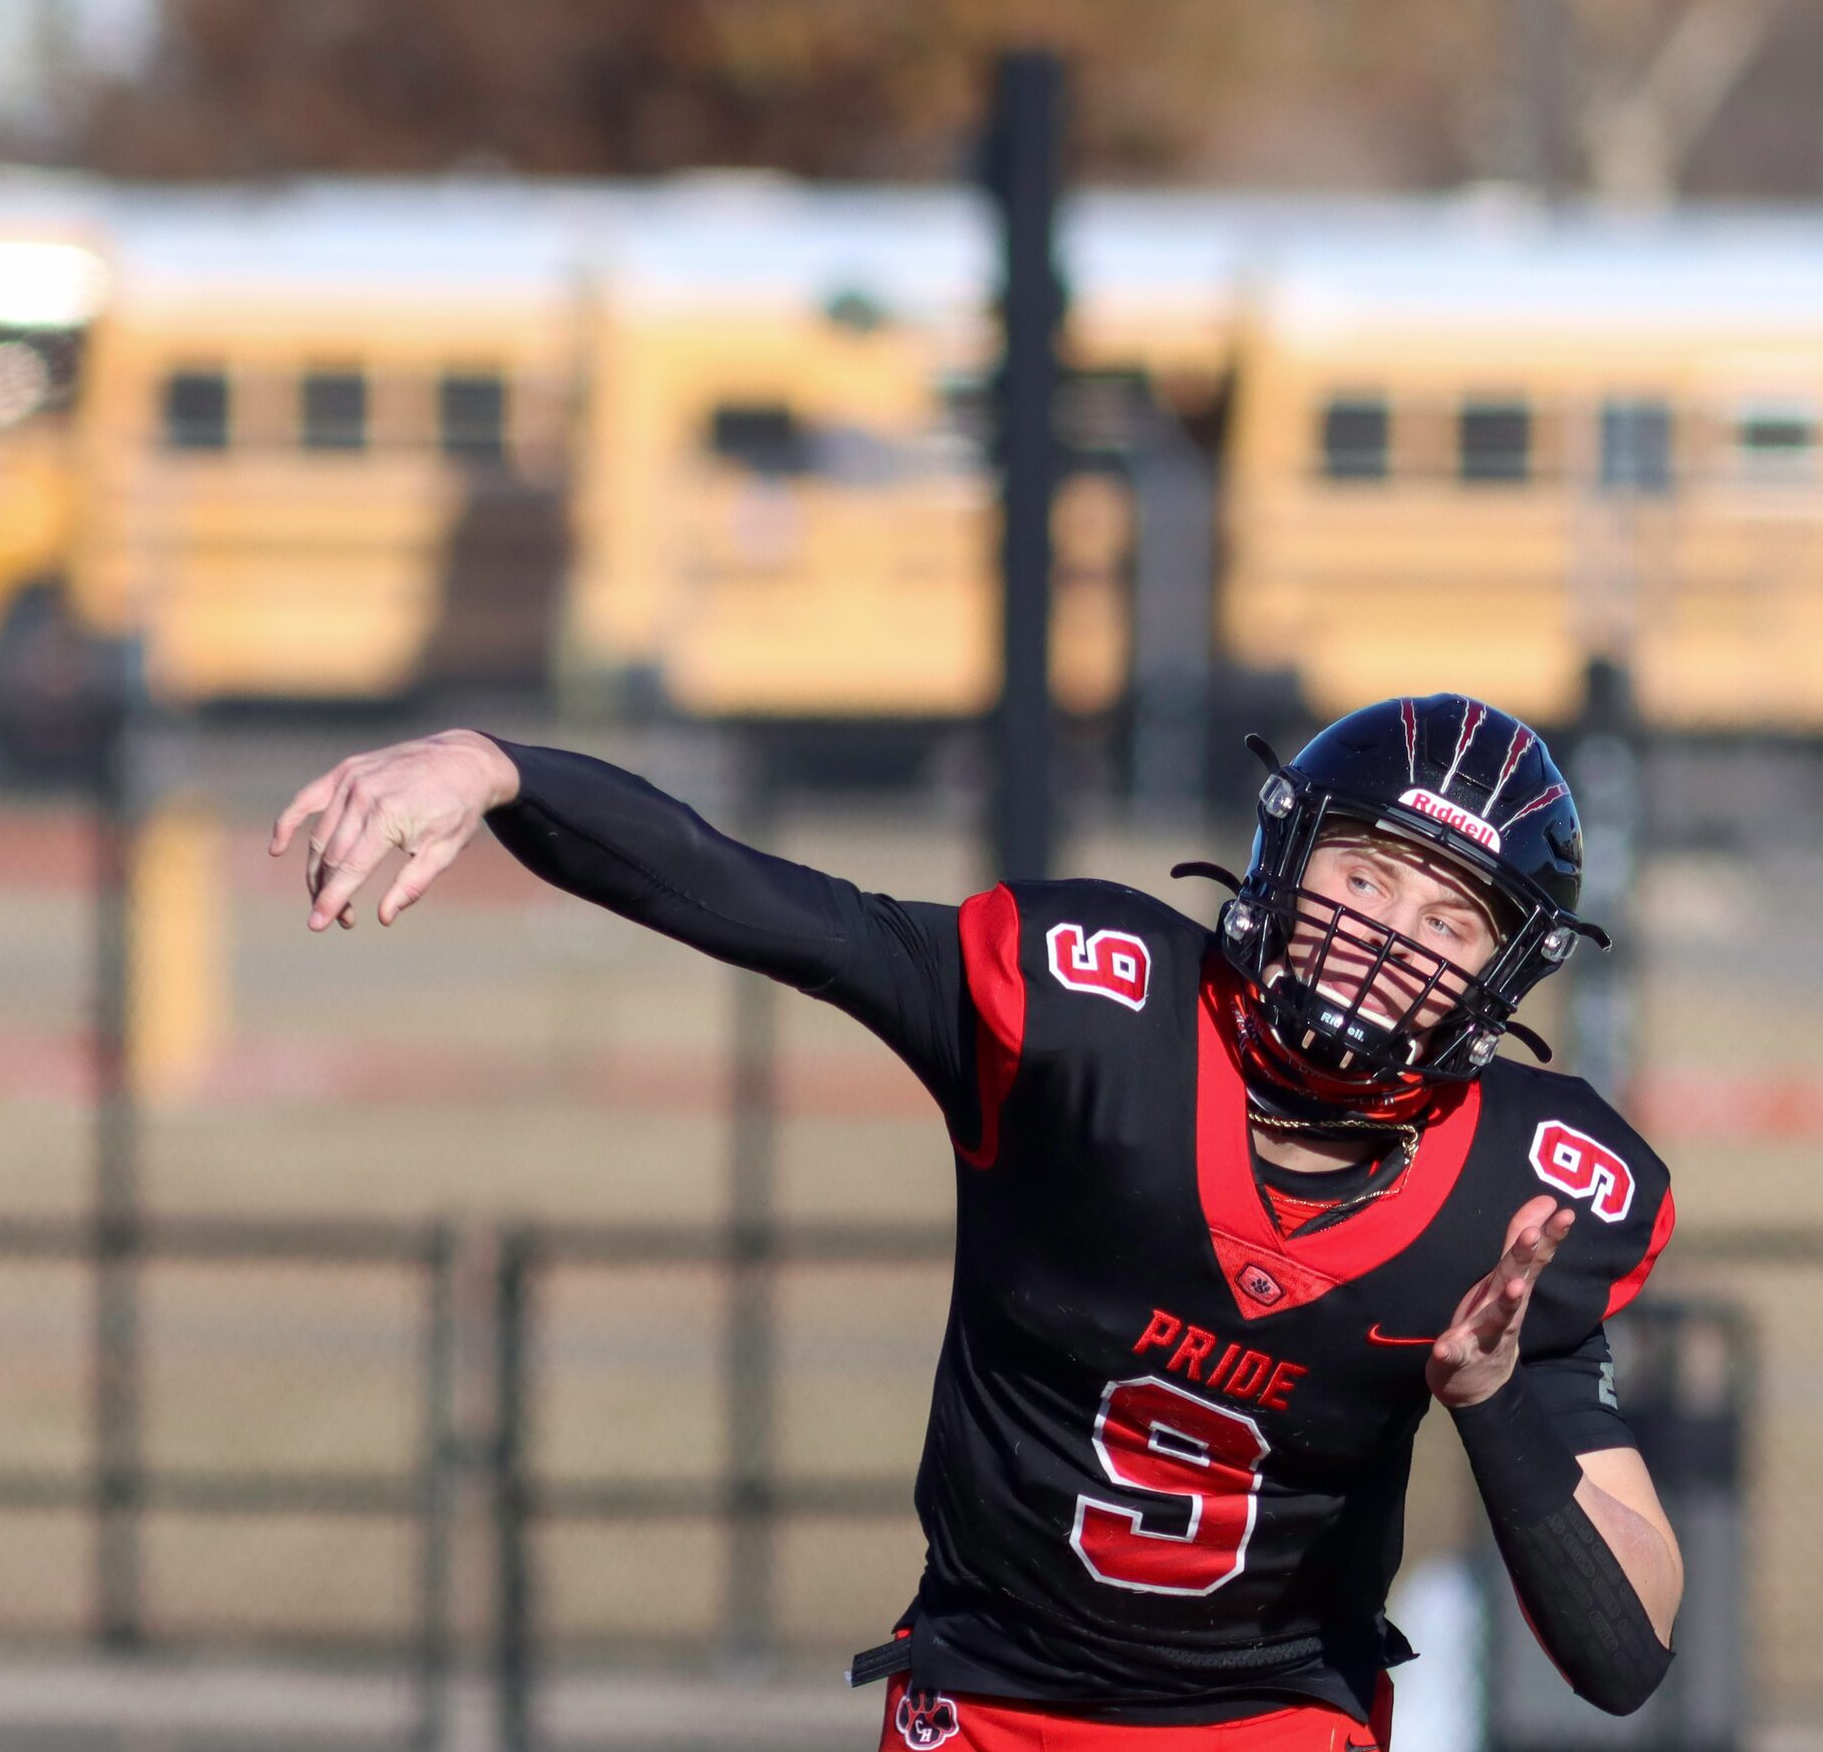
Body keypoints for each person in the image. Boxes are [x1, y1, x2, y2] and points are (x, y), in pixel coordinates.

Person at [270, 694, 1681, 1750]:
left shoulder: (1527, 1199)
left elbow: (1623, 1650)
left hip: (1270, 1723)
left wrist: (1494, 1401)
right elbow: (768, 903)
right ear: (1281, 859)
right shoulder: (1090, 1011)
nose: (1383, 936)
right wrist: (497, 766)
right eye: (1363, 875)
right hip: (987, 1701)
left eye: (1445, 919)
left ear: (1499, 978)